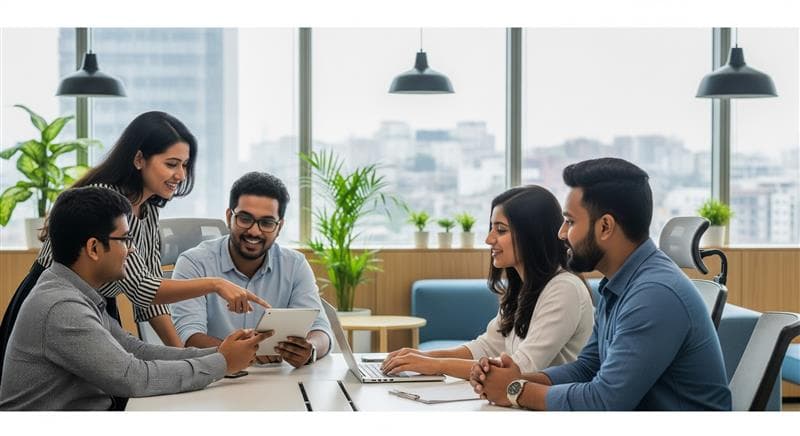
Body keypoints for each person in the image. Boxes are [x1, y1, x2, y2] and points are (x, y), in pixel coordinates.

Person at [0, 111, 268, 383]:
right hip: (61, 307)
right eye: (172, 164)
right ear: (139, 159)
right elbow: (145, 289)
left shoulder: (148, 210)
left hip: (97, 306)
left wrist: (188, 356)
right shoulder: (108, 202)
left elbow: (148, 301)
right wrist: (215, 284)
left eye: (185, 165)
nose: (180, 175)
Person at [469, 158, 732, 411]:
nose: (561, 233)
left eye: (570, 222)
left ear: (605, 226)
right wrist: (516, 380)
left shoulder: (654, 295)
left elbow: (605, 402)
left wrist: (515, 391)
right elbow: (587, 368)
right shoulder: (618, 284)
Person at [0, 187, 270, 410]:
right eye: (125, 240)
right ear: (94, 248)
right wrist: (222, 363)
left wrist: (222, 352)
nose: (131, 251)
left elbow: (133, 349)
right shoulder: (61, 306)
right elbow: (133, 377)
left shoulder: (75, 291)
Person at [381, 185, 593, 379]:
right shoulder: (525, 287)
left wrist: (436, 365)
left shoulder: (565, 289)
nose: (489, 239)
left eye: (501, 230)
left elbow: (522, 368)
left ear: (531, 235)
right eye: (491, 228)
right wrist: (420, 357)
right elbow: (485, 347)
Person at [171, 172, 333, 368]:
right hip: (215, 378)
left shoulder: (295, 265)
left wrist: (310, 350)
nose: (254, 231)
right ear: (229, 216)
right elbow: (189, 337)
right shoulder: (194, 263)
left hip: (277, 381)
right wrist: (240, 354)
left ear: (279, 227)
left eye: (266, 223)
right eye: (245, 219)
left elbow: (321, 330)